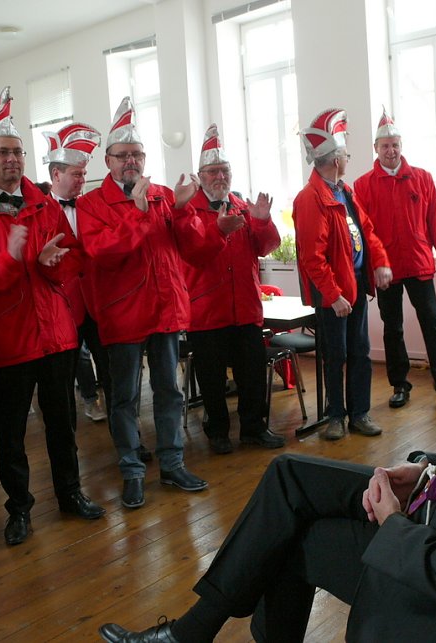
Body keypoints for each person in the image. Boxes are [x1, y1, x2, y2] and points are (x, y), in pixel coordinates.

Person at [97, 151, 436, 642]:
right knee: (288, 477)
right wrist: (427, 473)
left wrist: (393, 525)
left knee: (291, 541)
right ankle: (189, 636)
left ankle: (188, 636)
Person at [0, 87, 105, 547]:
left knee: (63, 423)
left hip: (55, 334)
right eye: (2, 152)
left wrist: (53, 263)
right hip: (9, 341)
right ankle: (18, 509)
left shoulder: (44, 203)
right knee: (12, 434)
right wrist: (12, 259)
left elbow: (72, 258)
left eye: (18, 151)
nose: (12, 159)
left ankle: (70, 494)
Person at [78, 97, 208, 510]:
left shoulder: (165, 196)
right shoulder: (90, 205)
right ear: (108, 160)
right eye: (122, 156)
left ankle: (172, 464)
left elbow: (193, 248)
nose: (130, 161)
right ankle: (133, 471)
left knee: (169, 391)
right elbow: (104, 252)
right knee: (124, 399)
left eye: (136, 154)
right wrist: (136, 213)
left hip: (166, 312)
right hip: (123, 315)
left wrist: (186, 210)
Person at [179, 124, 284, 454]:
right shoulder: (187, 210)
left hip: (246, 309)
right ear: (200, 175)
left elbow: (267, 247)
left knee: (252, 374)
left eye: (224, 170)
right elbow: (193, 253)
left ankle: (254, 428)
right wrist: (219, 231)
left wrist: (264, 220)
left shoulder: (243, 206)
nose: (219, 177)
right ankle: (218, 432)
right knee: (211, 379)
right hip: (206, 312)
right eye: (212, 171)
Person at [293, 108, 392, 441]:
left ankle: (359, 413)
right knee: (336, 357)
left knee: (360, 353)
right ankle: (336, 415)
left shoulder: (345, 192)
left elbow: (367, 232)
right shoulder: (311, 199)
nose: (348, 160)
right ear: (335, 160)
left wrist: (379, 262)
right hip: (334, 295)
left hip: (356, 287)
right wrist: (333, 295)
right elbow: (312, 258)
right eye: (346, 155)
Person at [354, 109, 436, 408]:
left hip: (419, 264)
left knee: (433, 322)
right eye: (385, 145)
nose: (391, 150)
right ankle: (399, 385)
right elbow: (363, 231)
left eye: (395, 144)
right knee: (393, 327)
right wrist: (374, 266)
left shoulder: (422, 178)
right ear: (376, 149)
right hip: (386, 268)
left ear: (401, 146)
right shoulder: (363, 186)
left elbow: (435, 219)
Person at [41, 122, 108, 424]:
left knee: (109, 367)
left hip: (97, 301)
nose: (83, 180)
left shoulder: (93, 207)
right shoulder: (39, 213)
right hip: (63, 306)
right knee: (63, 375)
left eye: (83, 174)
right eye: (76, 174)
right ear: (56, 175)